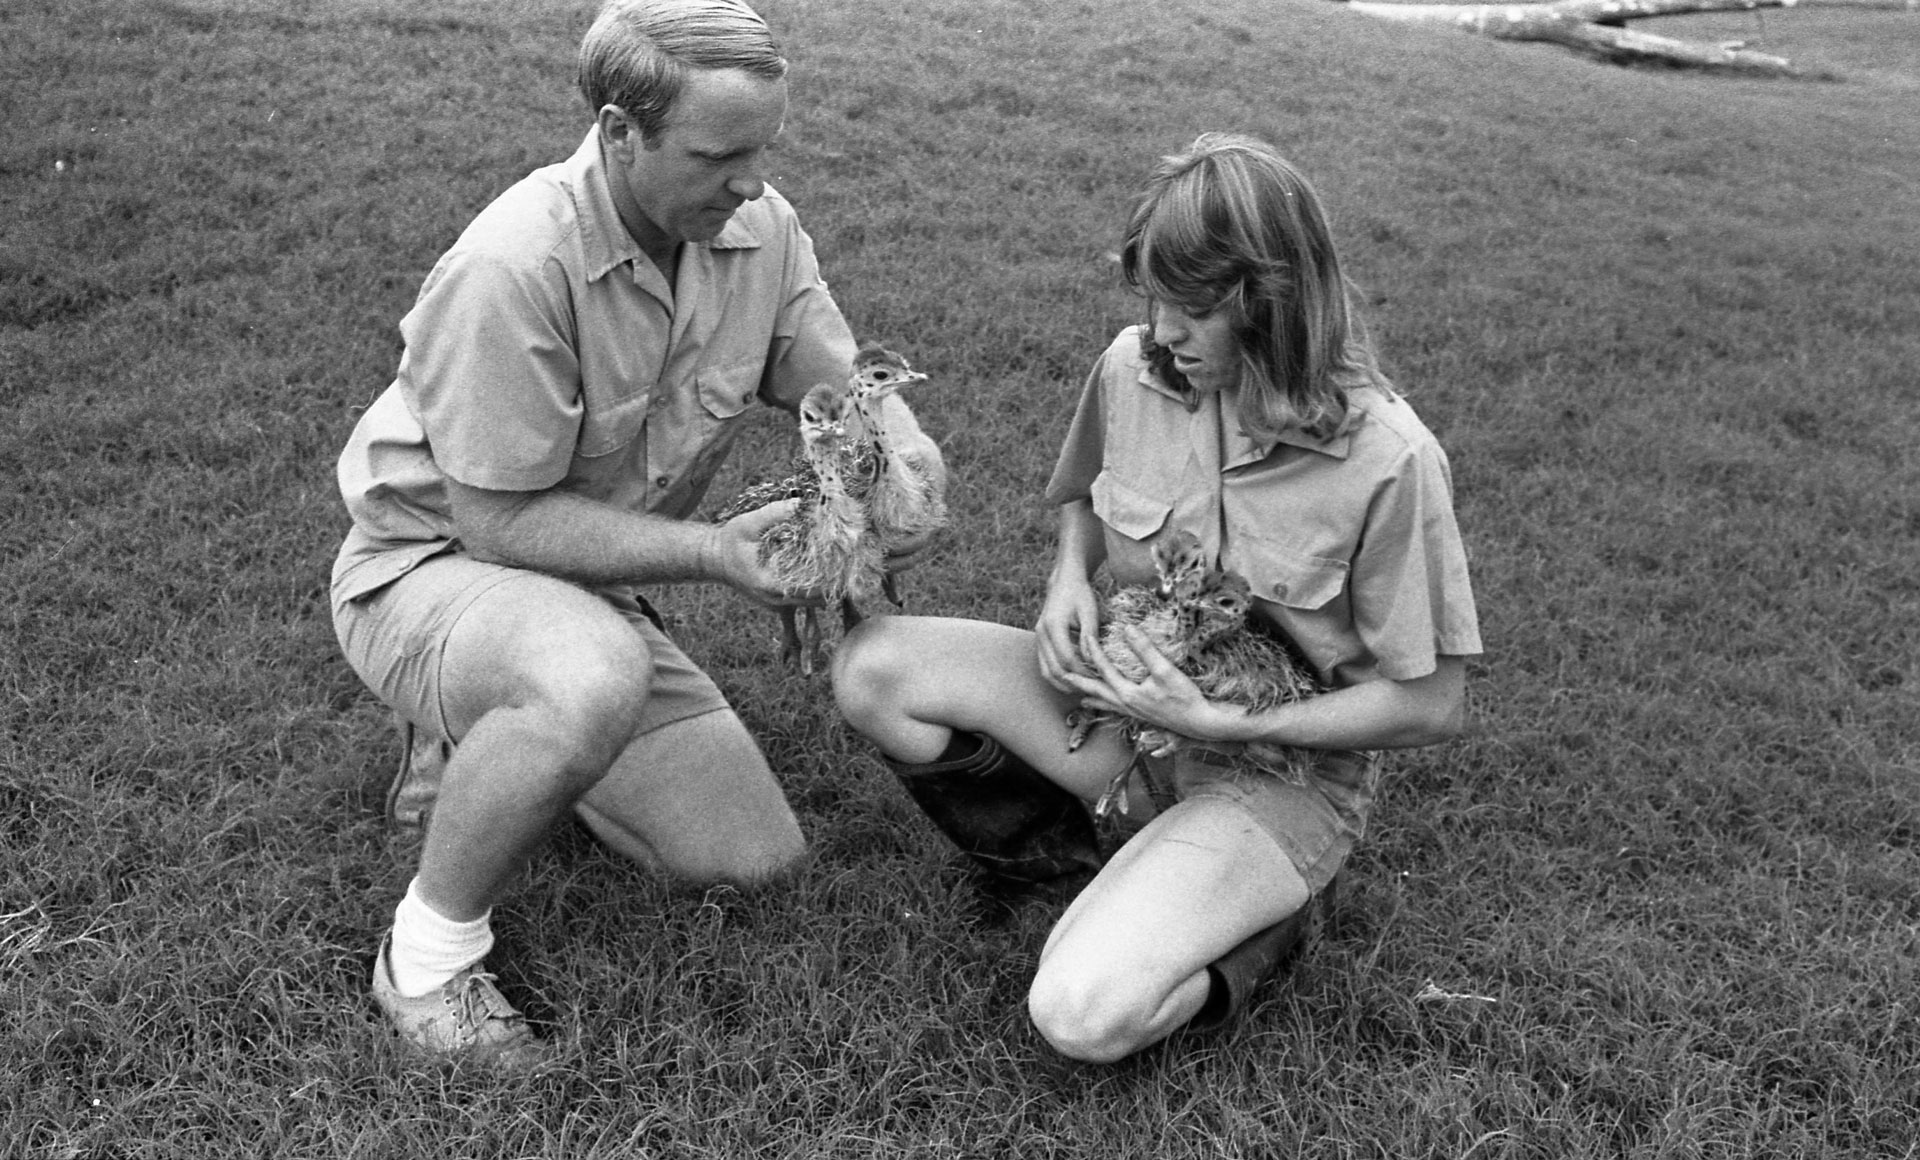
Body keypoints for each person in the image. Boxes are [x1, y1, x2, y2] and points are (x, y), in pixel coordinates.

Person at [329, 0, 939, 1065]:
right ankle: (424, 962)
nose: (752, 181)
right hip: (433, 568)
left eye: (764, 149)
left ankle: (500, 729)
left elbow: (821, 368)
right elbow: (497, 519)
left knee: (750, 856)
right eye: (720, 155)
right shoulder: (514, 266)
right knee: (592, 676)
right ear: (621, 131)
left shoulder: (757, 225)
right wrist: (717, 553)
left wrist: (895, 447)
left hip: (576, 581)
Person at [832, 133, 1480, 1064]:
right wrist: (1066, 586)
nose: (1164, 331)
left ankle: (1253, 926)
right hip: (1123, 720)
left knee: (1082, 1014)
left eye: (1194, 309)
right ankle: (1082, 869)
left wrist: (1228, 725)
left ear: (1273, 303)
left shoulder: (1390, 462)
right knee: (874, 667)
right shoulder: (1135, 368)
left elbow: (1431, 704)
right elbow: (1085, 502)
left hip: (1275, 777)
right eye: (1154, 301)